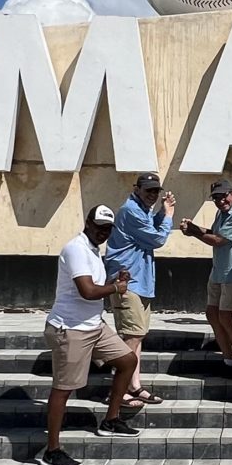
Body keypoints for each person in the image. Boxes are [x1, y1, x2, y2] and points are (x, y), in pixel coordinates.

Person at [39, 206, 140, 465]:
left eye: (107, 229)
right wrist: (116, 287)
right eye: (99, 226)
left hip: (94, 326)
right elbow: (87, 291)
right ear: (87, 223)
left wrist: (114, 279)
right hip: (70, 329)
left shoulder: (94, 251)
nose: (103, 232)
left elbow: (95, 284)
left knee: (128, 361)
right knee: (64, 388)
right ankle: (52, 450)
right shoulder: (76, 248)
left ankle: (111, 420)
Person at [104, 172, 175, 407]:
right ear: (137, 189)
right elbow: (156, 239)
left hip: (141, 282)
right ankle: (118, 389)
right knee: (132, 336)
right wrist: (169, 217)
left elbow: (148, 228)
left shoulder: (141, 210)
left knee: (138, 335)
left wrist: (161, 212)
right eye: (148, 191)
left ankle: (134, 385)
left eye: (156, 191)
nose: (153, 195)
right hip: (128, 282)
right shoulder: (130, 211)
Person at [179, 179, 232, 379]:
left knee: (225, 316)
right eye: (216, 198)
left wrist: (194, 232)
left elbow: (220, 241)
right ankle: (228, 359)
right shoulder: (222, 213)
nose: (221, 201)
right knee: (212, 314)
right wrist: (195, 228)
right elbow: (214, 233)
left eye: (224, 196)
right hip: (218, 271)